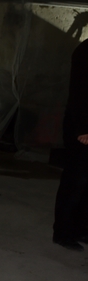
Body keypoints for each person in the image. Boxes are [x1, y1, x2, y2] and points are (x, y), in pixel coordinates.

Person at [53, 39, 88, 251]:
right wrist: (83, 128)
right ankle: (63, 232)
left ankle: (81, 229)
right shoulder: (85, 51)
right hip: (81, 128)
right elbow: (79, 92)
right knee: (76, 180)